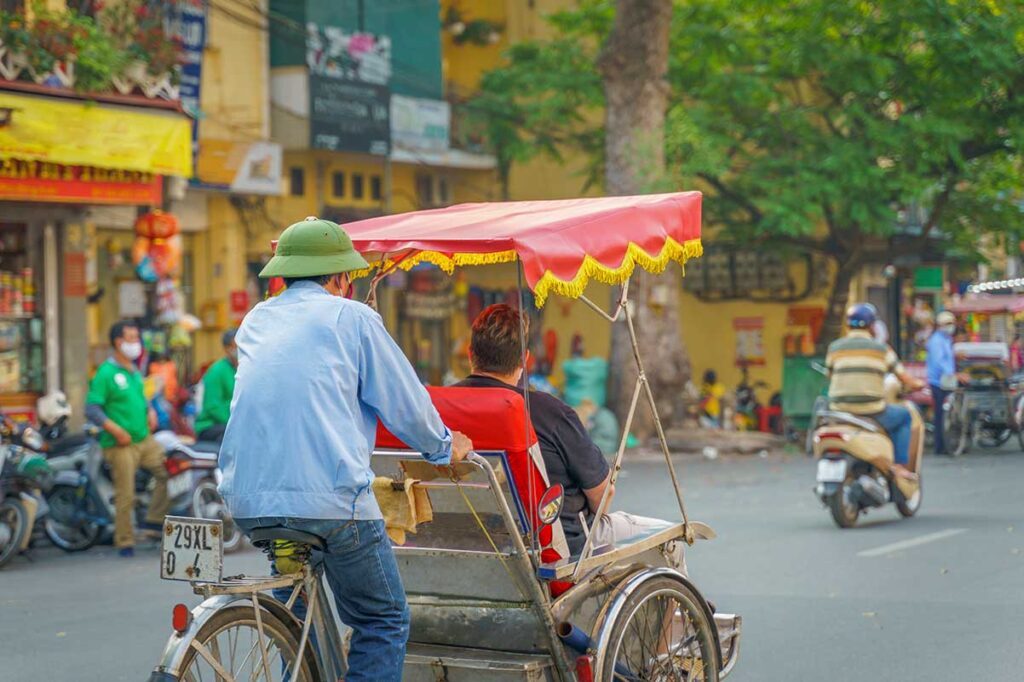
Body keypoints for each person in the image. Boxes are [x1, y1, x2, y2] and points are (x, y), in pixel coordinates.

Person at [218, 216, 473, 682]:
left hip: (251, 500)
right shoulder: (352, 316)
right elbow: (404, 401)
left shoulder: (256, 319)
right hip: (330, 502)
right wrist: (443, 447)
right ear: (339, 278)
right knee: (382, 620)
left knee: (299, 624)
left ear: (286, 274)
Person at [456, 304, 686, 571]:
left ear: (471, 355)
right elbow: (603, 494)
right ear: (524, 360)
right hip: (559, 555)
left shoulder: (437, 415)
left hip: (469, 547)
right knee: (672, 541)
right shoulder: (550, 413)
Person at [85, 321, 170, 558]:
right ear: (118, 342)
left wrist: (150, 411)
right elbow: (92, 408)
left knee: (169, 471)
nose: (136, 343)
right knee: (126, 493)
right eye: (131, 338)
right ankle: (124, 540)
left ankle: (153, 521)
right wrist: (115, 430)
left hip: (144, 439)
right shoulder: (106, 372)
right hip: (120, 443)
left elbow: (141, 398)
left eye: (137, 338)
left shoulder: (133, 370)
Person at [825, 304, 923, 480]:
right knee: (904, 417)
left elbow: (830, 375)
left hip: (839, 409)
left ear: (847, 325)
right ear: (872, 326)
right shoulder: (882, 350)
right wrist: (917, 384)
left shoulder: (835, 348)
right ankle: (900, 466)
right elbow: (905, 379)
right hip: (871, 410)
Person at [194, 329, 238, 443]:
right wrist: (235, 422)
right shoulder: (217, 371)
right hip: (210, 425)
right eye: (236, 346)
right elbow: (212, 407)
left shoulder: (241, 370)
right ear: (227, 349)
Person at [927, 311, 958, 455]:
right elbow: (939, 361)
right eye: (947, 324)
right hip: (938, 381)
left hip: (946, 380)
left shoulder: (946, 339)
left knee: (947, 412)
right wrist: (952, 373)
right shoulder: (936, 341)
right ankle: (939, 446)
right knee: (939, 414)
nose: (950, 327)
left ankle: (946, 443)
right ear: (940, 325)